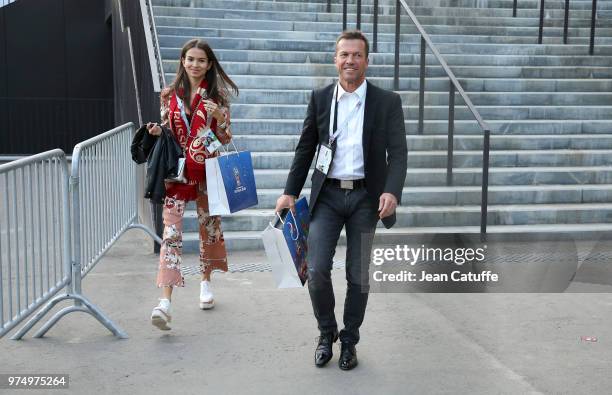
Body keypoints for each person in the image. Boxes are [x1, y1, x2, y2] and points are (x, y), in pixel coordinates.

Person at [275, 30, 407, 370]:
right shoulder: (320, 98)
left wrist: (392, 190)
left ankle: (349, 340)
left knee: (358, 274)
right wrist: (290, 192)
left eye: (357, 55)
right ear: (335, 59)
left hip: (366, 197)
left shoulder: (387, 101)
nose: (350, 60)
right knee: (317, 269)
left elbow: (400, 153)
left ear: (366, 60)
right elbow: (306, 148)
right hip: (328, 196)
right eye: (344, 54)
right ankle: (326, 333)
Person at [147, 38, 238, 331]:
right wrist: (156, 132)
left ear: (209, 64)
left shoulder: (218, 97)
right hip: (176, 174)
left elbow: (225, 138)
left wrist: (215, 122)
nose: (195, 65)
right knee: (171, 234)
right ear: (182, 61)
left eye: (201, 60)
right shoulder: (169, 95)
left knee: (208, 229)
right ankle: (165, 302)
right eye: (190, 59)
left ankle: (206, 283)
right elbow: (169, 133)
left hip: (206, 172)